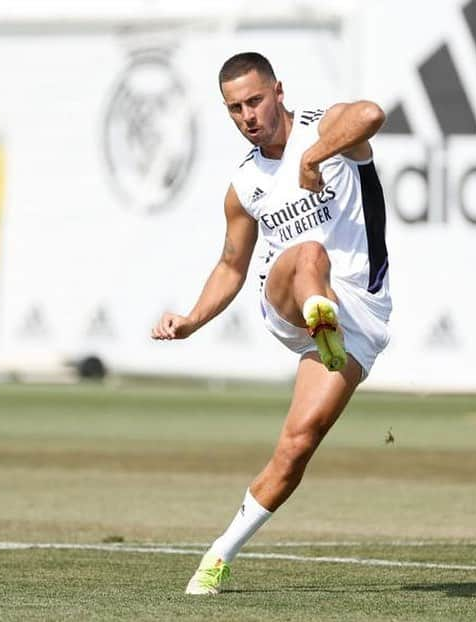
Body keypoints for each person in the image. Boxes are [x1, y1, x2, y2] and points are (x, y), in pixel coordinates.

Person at [152, 51, 392, 595]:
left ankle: (218, 555)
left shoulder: (325, 128)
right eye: (234, 109)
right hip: (290, 298)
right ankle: (316, 313)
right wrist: (192, 320)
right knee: (309, 254)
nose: (247, 116)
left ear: (279, 91)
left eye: (254, 101)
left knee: (296, 445)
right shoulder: (243, 185)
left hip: (362, 313)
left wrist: (316, 157)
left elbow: (372, 114)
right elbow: (232, 265)